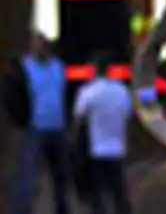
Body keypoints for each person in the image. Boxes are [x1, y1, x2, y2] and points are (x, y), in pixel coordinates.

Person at [2, 32, 72, 214]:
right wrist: (20, 119)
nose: (41, 48)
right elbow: (11, 94)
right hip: (34, 128)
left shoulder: (58, 66)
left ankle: (62, 208)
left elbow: (66, 93)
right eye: (37, 44)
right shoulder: (23, 67)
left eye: (43, 44)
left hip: (57, 127)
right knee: (27, 176)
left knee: (61, 176)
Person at [72, 51, 133, 214]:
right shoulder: (122, 91)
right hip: (118, 149)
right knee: (119, 195)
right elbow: (128, 116)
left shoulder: (88, 92)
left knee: (98, 196)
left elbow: (78, 119)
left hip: (97, 150)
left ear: (94, 69)